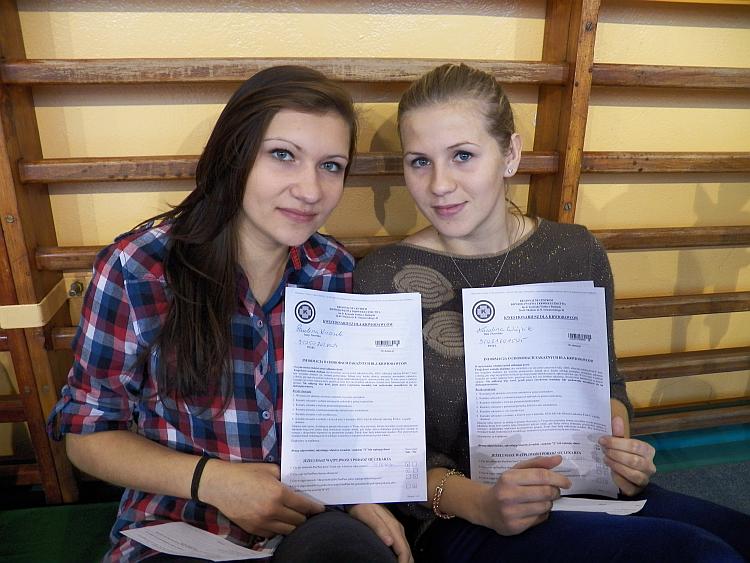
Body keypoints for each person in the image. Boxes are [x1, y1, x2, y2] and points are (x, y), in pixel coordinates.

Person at [354, 63, 750, 562]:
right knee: (694, 554)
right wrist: (484, 504)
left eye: (463, 155)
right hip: (463, 520)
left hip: (583, 491)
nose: (439, 184)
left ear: (510, 155)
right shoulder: (382, 276)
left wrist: (620, 451)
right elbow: (388, 455)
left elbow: (607, 386)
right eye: (419, 162)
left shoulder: (575, 252)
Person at [48, 65, 411, 563]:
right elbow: (86, 434)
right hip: (179, 521)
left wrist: (356, 496)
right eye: (283, 155)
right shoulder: (140, 268)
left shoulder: (335, 271)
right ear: (234, 154)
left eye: (330, 166)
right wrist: (212, 481)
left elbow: (346, 418)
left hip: (308, 518)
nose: (310, 190)